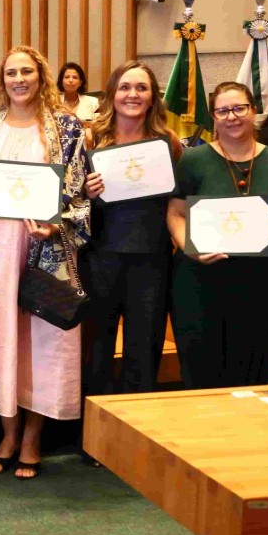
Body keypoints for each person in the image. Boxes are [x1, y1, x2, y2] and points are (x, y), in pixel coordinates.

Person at [0, 45, 90, 480]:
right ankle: (8, 431)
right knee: (3, 338)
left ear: (41, 75)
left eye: (27, 71)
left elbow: (81, 195)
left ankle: (33, 437)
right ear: (2, 78)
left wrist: (57, 226)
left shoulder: (67, 127)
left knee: (40, 340)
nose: (19, 79)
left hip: (45, 249)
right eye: (11, 72)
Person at [166, 82, 268, 389]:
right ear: (214, 118)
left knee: (256, 377)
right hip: (199, 285)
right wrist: (187, 247)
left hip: (262, 288)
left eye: (239, 108)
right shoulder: (193, 161)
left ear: (254, 111)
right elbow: (175, 213)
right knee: (201, 376)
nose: (231, 117)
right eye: (222, 110)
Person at [81, 62, 183, 402]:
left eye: (141, 88)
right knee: (96, 348)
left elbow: (178, 202)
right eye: (125, 87)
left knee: (144, 348)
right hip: (100, 257)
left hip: (151, 261)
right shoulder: (92, 137)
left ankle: (136, 431)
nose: (132, 94)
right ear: (112, 94)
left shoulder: (169, 142)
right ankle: (96, 433)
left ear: (153, 96)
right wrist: (86, 191)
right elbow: (70, 198)